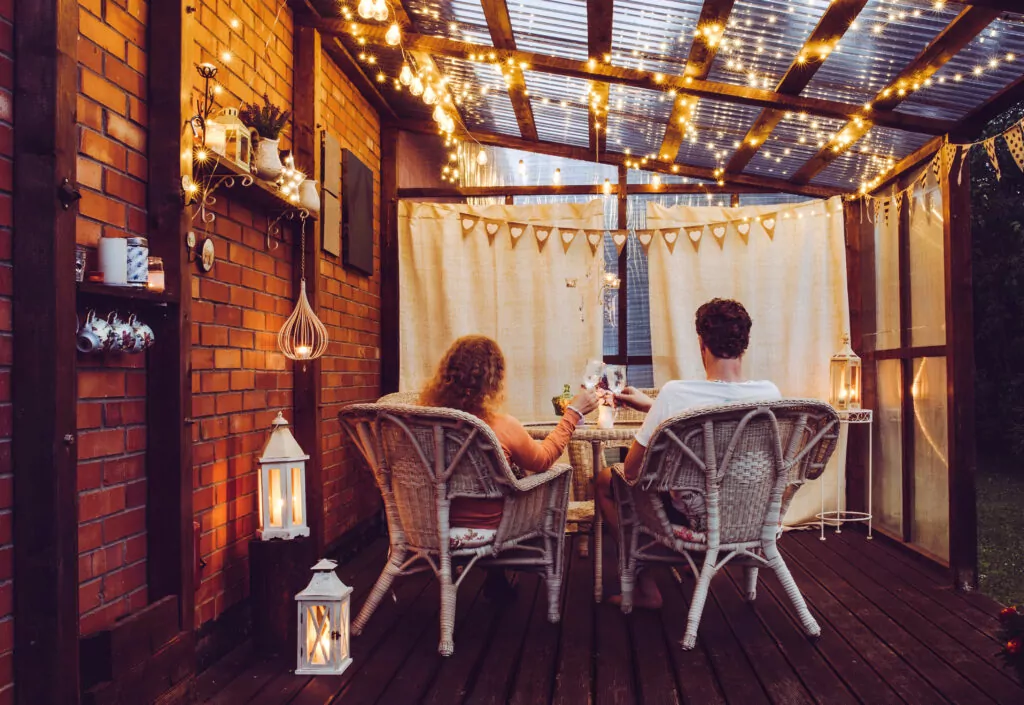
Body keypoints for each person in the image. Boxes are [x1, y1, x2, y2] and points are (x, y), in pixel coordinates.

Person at [596, 298, 781, 609]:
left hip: (696, 521)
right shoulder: (769, 394)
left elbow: (630, 472)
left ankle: (645, 585)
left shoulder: (677, 394)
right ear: (744, 344)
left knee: (605, 481)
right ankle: (687, 563)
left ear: (701, 343)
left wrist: (661, 410)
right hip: (752, 514)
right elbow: (722, 411)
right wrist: (652, 407)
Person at [420, 335, 599, 597]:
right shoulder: (500, 426)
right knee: (515, 480)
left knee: (500, 476)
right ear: (494, 379)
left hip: (431, 524)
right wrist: (573, 414)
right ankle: (503, 572)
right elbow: (543, 460)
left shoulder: (422, 423)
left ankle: (496, 577)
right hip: (491, 529)